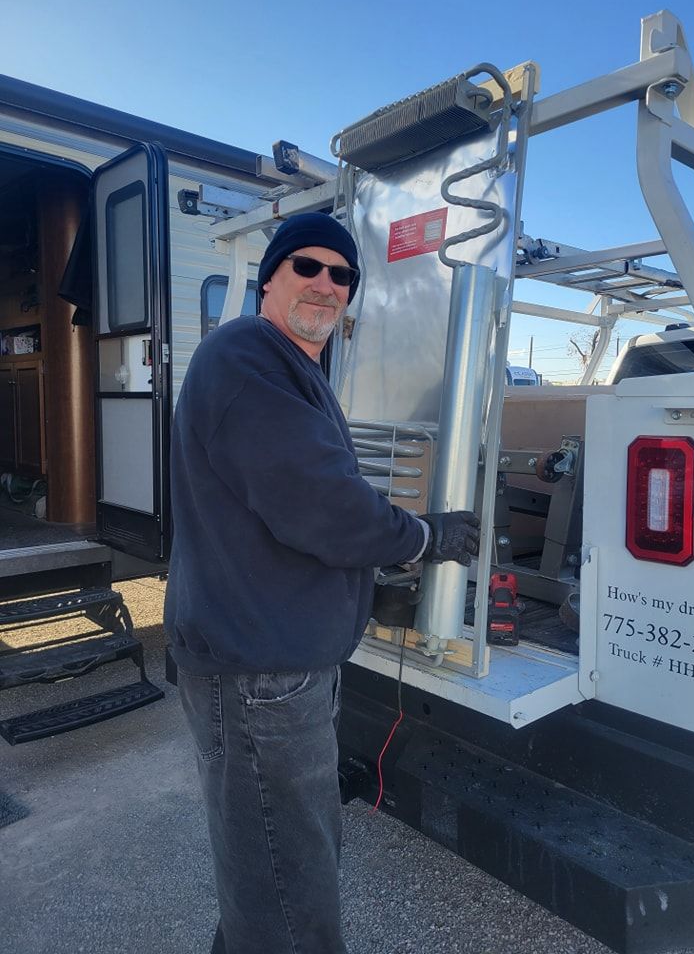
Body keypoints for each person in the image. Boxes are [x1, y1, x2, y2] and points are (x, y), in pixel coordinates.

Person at [164, 212, 480, 954]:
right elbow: (323, 505)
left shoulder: (287, 367)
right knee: (290, 886)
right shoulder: (247, 355)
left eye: (342, 275)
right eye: (307, 266)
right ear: (269, 278)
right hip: (260, 679)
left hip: (269, 663)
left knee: (269, 871)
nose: (325, 284)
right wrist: (425, 537)